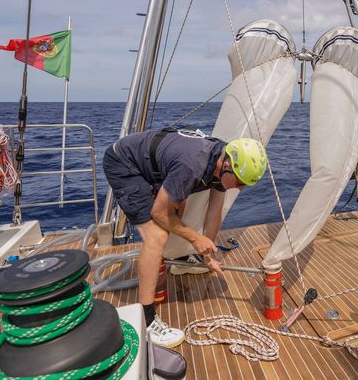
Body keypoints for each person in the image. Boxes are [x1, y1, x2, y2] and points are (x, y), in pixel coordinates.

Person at [103, 129, 267, 345]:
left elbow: (213, 213)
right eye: (239, 182)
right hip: (124, 164)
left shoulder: (223, 158)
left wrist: (207, 256)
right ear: (226, 166)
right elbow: (159, 213)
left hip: (156, 165)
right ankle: (146, 320)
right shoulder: (193, 165)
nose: (240, 188)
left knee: (179, 209)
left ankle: (171, 259)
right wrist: (195, 239)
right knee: (157, 236)